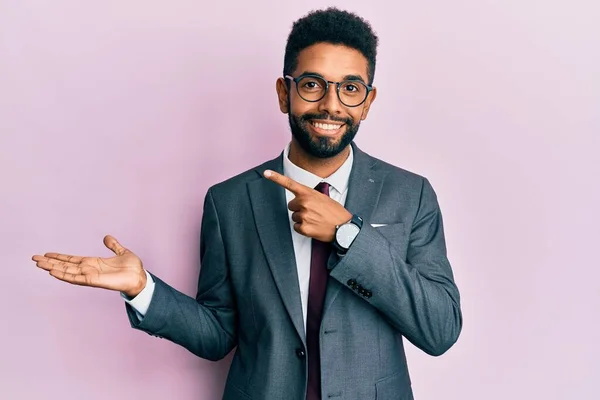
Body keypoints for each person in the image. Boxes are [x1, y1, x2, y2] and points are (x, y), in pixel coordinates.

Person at [32, 7, 462, 400]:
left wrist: (348, 234)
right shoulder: (229, 201)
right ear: (283, 93)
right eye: (312, 85)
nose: (331, 104)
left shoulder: (411, 194)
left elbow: (439, 329)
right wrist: (143, 289)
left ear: (367, 103)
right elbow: (219, 334)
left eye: (350, 88)